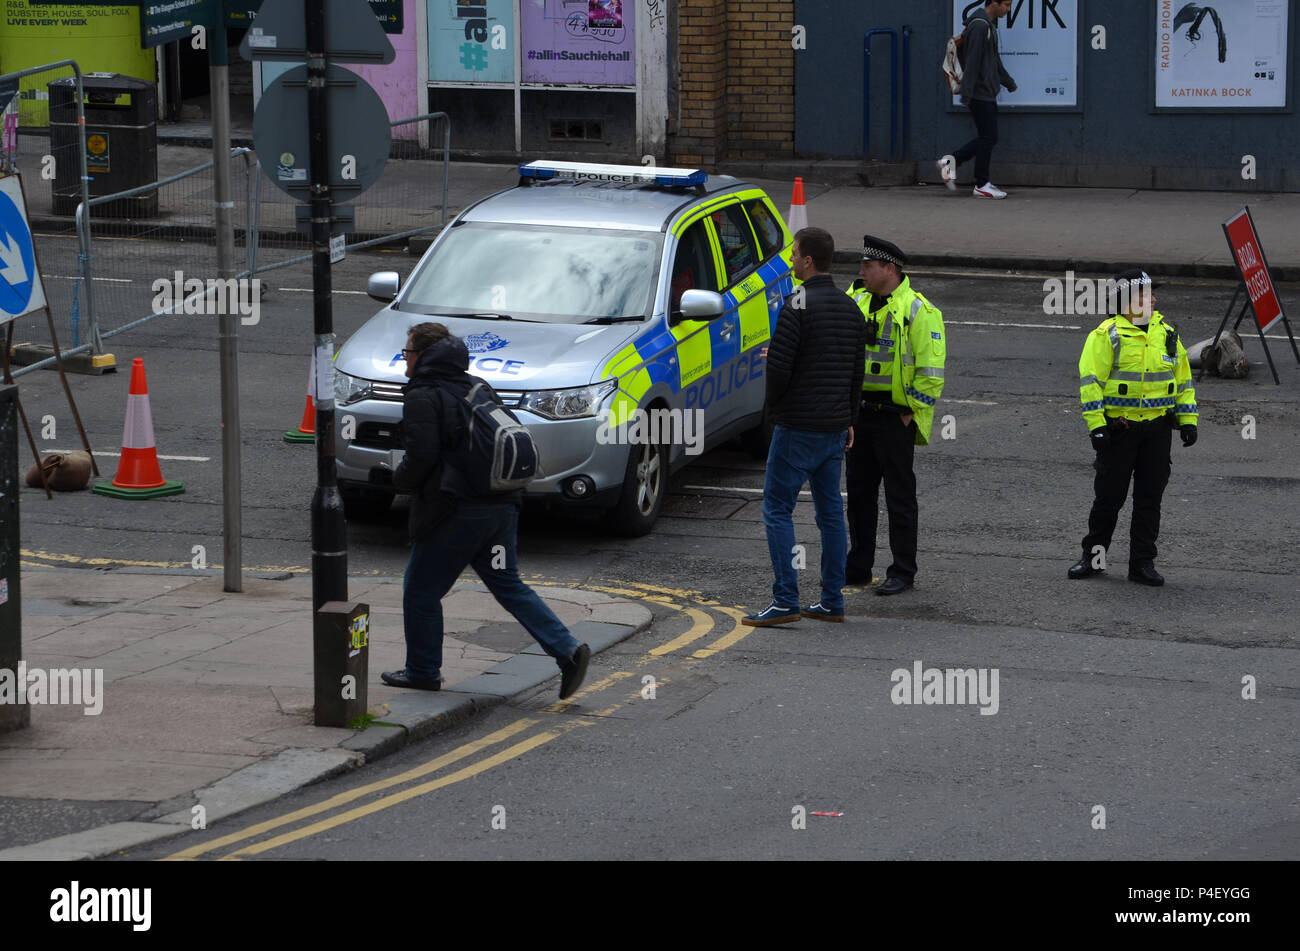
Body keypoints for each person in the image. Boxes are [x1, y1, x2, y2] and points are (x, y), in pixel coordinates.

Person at [381, 322, 591, 696]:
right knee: (508, 585)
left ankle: (423, 671)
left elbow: (423, 456)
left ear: (424, 356)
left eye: (408, 351)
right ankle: (568, 651)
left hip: (456, 513)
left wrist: (398, 480)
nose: (405, 358)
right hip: (500, 508)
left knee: (421, 592)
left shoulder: (422, 395)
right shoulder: (475, 385)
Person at [743, 227, 868, 626]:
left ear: (809, 260)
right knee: (831, 514)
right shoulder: (850, 308)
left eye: (794, 254)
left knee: (777, 509)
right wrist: (850, 419)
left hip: (798, 426)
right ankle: (832, 600)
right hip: (834, 427)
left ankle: (785, 600)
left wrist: (777, 409)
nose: (791, 260)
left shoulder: (796, 303)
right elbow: (855, 372)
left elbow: (779, 369)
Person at [1069, 270, 1198, 586]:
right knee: (1109, 499)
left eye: (1152, 293)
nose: (1152, 299)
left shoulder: (1167, 333)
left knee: (1149, 500)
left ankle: (1142, 564)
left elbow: (1182, 382)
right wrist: (1097, 427)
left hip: (1157, 432)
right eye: (1145, 294)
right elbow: (1090, 385)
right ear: (1126, 302)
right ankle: (1094, 559)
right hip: (1119, 432)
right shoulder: (1106, 336)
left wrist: (1188, 421)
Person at [844, 236, 946, 596]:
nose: (861, 272)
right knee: (858, 495)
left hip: (894, 419)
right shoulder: (855, 299)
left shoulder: (919, 311)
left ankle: (903, 570)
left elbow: (931, 374)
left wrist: (909, 412)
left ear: (889, 269)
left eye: (867, 267)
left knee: (899, 498)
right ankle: (858, 566)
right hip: (858, 416)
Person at [937, 0, 1017, 199]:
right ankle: (981, 184)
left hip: (984, 90)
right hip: (979, 92)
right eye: (1006, 4)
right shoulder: (980, 26)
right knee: (989, 137)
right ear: (993, 3)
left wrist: (1008, 82)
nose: (1008, 9)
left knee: (987, 137)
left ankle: (951, 163)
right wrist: (967, 93)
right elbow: (972, 61)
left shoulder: (987, 25)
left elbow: (993, 59)